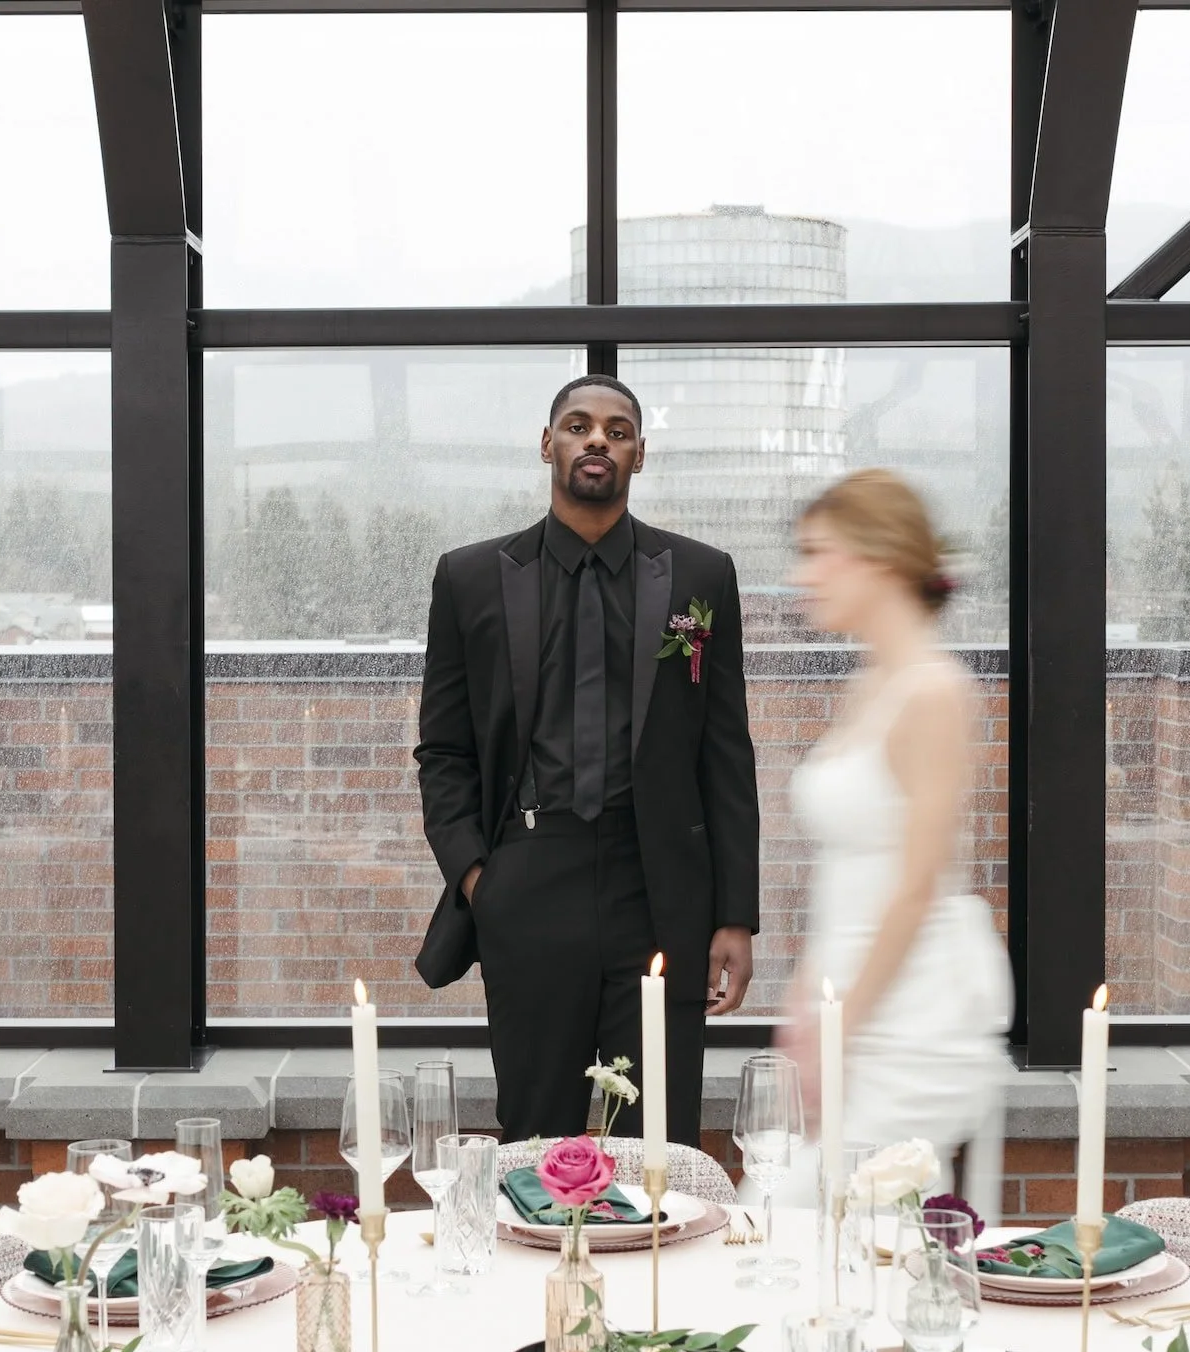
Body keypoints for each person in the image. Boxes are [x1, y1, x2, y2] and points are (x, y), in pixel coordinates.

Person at [413, 375, 761, 1145]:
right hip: (530, 876)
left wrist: (735, 915)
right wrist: (481, 878)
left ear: (640, 454)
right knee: (536, 1139)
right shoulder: (469, 578)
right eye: (577, 426)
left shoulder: (702, 577)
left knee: (657, 1143)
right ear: (548, 445)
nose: (597, 440)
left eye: (617, 430)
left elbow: (725, 751)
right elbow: (443, 749)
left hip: (661, 889)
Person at [775, 469, 1012, 1221]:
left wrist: (840, 1028)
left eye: (817, 552)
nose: (799, 575)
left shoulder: (935, 692)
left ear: (876, 558)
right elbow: (845, 868)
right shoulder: (870, 682)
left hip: (912, 1014)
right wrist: (807, 1000)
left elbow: (915, 887)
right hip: (848, 995)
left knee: (837, 1229)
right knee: (803, 1223)